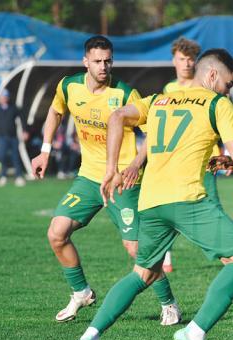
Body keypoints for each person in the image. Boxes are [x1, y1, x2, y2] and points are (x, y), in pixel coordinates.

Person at [66, 48, 233, 340]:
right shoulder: (217, 104)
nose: (230, 91)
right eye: (229, 84)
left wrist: (110, 169)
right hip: (187, 199)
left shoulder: (160, 99)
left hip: (150, 201)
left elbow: (117, 116)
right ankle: (194, 334)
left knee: (142, 273)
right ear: (213, 75)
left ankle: (87, 337)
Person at [30, 35, 178, 325]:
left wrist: (137, 163)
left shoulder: (124, 94)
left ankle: (168, 303)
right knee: (56, 233)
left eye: (108, 60)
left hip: (122, 179)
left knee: (136, 250)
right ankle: (81, 292)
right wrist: (45, 151)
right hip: (88, 177)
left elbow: (153, 130)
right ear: (85, 61)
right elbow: (55, 111)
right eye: (97, 61)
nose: (103, 66)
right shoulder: (69, 86)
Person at [154, 37, 233, 276]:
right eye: (181, 59)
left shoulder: (214, 91)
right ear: (173, 60)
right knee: (176, 208)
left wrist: (228, 155)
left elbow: (224, 125)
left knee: (212, 211)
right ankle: (165, 258)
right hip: (177, 162)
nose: (186, 64)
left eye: (190, 60)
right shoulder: (169, 90)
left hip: (206, 159)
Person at [0, 88, 26, 187]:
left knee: (15, 157)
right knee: (2, 156)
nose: (4, 99)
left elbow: (22, 117)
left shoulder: (13, 108)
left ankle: (19, 177)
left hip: (13, 137)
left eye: (5, 97)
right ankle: (3, 176)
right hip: (1, 137)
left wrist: (24, 131)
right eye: (2, 97)